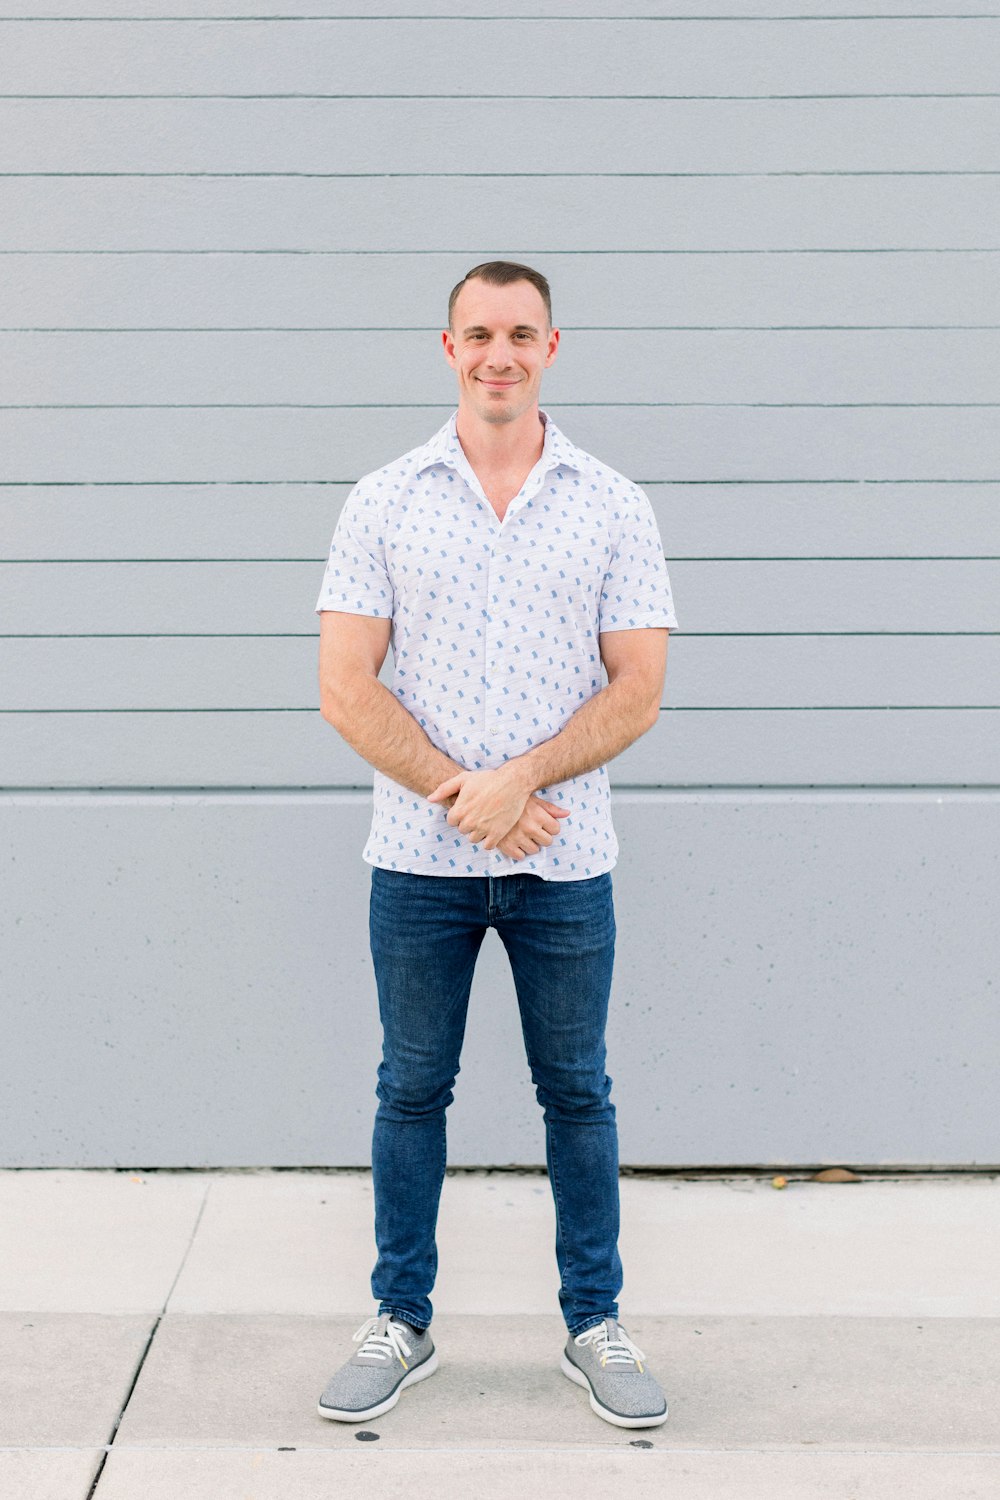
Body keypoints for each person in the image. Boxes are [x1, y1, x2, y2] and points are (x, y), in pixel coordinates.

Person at [313, 260, 678, 1430]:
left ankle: (594, 1325)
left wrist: (520, 782)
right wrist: (461, 792)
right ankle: (401, 1318)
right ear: (447, 346)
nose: (499, 354)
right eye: (479, 333)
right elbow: (341, 684)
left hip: (563, 864)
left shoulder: (612, 503)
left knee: (577, 1093)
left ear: (554, 347)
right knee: (411, 1089)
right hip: (416, 865)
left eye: (521, 333)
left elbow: (639, 688)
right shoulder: (383, 499)